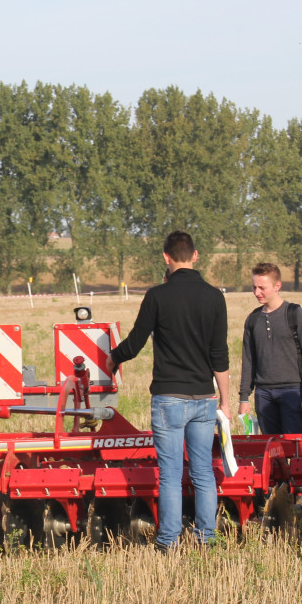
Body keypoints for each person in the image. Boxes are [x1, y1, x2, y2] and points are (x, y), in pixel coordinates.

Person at [106, 231, 233, 550]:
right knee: (203, 471)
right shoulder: (215, 297)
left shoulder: (157, 296)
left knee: (171, 473)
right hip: (205, 398)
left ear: (166, 258)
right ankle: (207, 538)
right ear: (196, 255)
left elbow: (134, 344)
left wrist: (112, 358)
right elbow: (220, 355)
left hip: (169, 399)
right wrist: (226, 402)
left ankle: (168, 540)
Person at [238, 263, 302, 435]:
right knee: (270, 450)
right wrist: (244, 398)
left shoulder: (296, 314)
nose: (256, 292)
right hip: (263, 394)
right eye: (254, 287)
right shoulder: (252, 319)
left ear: (277, 286)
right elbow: (248, 360)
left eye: (262, 288)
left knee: (293, 449)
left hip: (292, 392)